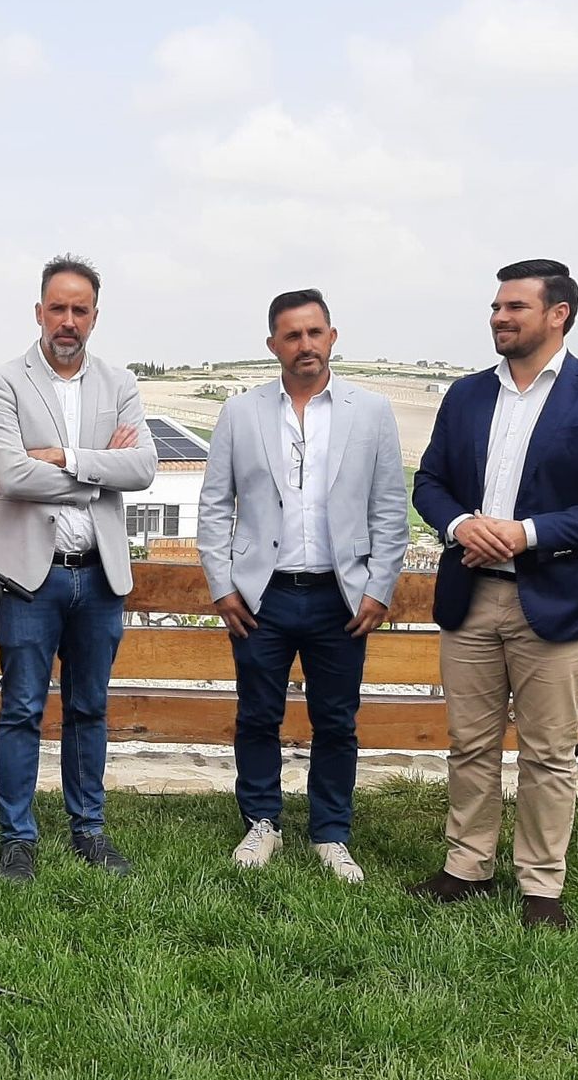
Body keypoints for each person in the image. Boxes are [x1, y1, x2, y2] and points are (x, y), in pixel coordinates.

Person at [409, 259, 578, 928]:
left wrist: (527, 534)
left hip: (557, 600)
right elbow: (429, 483)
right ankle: (467, 866)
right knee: (470, 745)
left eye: (514, 306)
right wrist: (460, 525)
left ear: (558, 314)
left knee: (547, 753)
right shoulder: (466, 395)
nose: (499, 317)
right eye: (496, 306)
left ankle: (542, 885)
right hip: (470, 597)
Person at [196, 289, 408, 882]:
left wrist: (379, 587)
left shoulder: (371, 411)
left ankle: (330, 832)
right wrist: (222, 586)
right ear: (273, 345)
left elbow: (389, 507)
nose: (305, 345)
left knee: (337, 720)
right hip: (261, 596)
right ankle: (261, 821)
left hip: (341, 596)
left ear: (332, 337)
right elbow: (215, 505)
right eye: (292, 335)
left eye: (315, 333)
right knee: (257, 715)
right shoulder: (241, 412)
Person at [0, 254, 158, 881]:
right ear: (39, 312)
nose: (68, 320)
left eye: (80, 310)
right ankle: (17, 837)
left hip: (99, 575)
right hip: (30, 577)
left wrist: (63, 457)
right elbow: (12, 476)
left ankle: (90, 830)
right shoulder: (3, 383)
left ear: (95, 317)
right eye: (58, 308)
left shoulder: (120, 384)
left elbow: (144, 468)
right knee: (22, 708)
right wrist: (99, 469)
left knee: (90, 707)